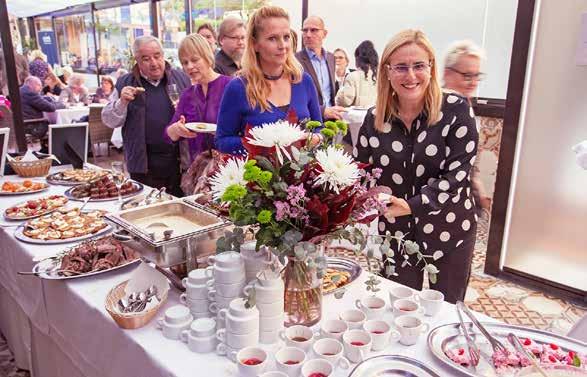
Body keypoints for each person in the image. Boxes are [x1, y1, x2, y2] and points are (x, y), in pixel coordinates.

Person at [354, 29, 479, 303]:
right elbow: (362, 172)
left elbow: (457, 174)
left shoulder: (455, 110)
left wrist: (413, 205)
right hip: (396, 233)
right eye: (401, 67)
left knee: (446, 310)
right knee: (399, 308)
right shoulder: (374, 118)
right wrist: (367, 202)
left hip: (450, 230)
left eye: (419, 66)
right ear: (387, 71)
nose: (410, 76)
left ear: (431, 68)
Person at [215, 6, 322, 155]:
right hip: (257, 176)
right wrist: (263, 146)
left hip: (302, 175)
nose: (282, 46)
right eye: (273, 38)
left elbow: (319, 128)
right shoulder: (238, 88)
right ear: (255, 44)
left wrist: (314, 138)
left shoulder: (303, 81)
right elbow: (222, 141)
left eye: (286, 37)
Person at [102, 35, 191, 197]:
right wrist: (122, 102)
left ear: (163, 56)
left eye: (157, 56)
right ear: (137, 60)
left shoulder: (182, 79)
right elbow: (109, 120)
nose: (154, 63)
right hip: (143, 166)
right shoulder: (125, 83)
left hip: (178, 163)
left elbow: (197, 115)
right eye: (146, 59)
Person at [164, 33, 231, 176]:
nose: (189, 66)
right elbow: (168, 135)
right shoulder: (187, 95)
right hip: (200, 173)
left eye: (194, 60)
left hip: (230, 169)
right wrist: (177, 129)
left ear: (207, 56)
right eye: (185, 62)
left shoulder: (231, 86)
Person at [442, 40, 491, 213]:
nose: (473, 82)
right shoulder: (438, 111)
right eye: (467, 75)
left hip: (464, 194)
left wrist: (478, 188)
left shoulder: (466, 107)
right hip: (443, 200)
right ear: (447, 74)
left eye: (477, 76)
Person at [295, 16, 345, 121]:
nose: (308, 35)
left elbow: (329, 92)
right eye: (305, 30)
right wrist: (323, 111)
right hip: (310, 122)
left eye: (314, 30)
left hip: (331, 121)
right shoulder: (295, 60)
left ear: (324, 34)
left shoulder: (331, 58)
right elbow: (296, 97)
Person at [335, 40, 378, 108]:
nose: (337, 60)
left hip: (358, 117)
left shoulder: (352, 76)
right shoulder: (380, 76)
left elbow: (345, 101)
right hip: (376, 115)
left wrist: (341, 90)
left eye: (340, 58)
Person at [20, 76, 58, 146]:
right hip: (31, 125)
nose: (41, 88)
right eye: (40, 86)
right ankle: (52, 148)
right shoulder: (30, 93)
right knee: (56, 126)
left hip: (21, 124)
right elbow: (50, 108)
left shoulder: (21, 91)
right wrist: (58, 103)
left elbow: (40, 100)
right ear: (33, 84)